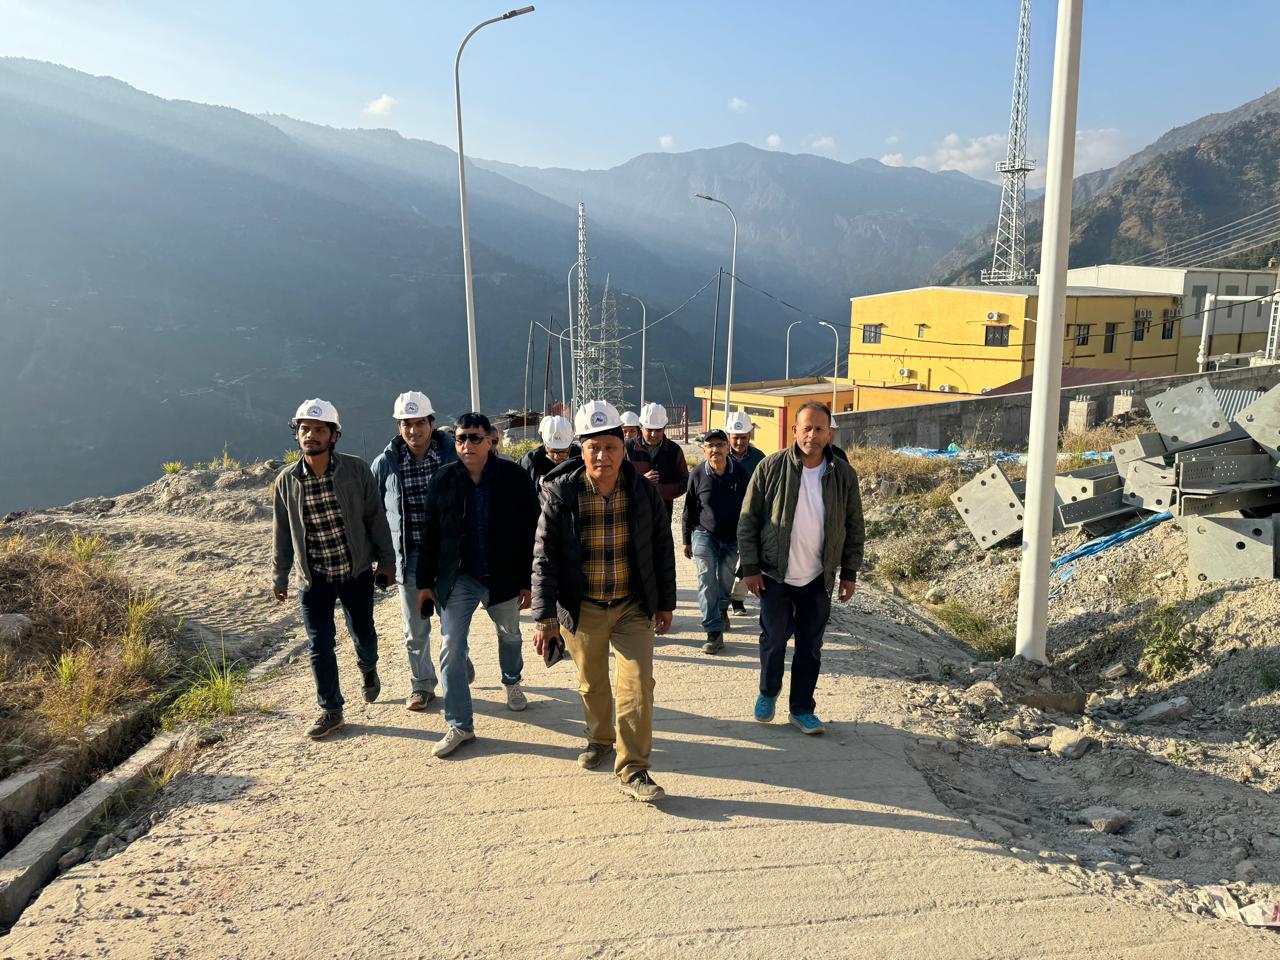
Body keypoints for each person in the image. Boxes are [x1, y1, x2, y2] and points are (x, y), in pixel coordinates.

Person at [531, 400, 676, 803]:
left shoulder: (642, 492)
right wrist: (545, 618)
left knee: (637, 685)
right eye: (593, 448)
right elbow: (544, 557)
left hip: (632, 606)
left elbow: (661, 549)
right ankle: (599, 738)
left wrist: (665, 603)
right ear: (581, 450)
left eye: (610, 447)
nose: (602, 456)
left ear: (622, 449)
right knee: (592, 683)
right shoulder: (562, 494)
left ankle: (634, 769)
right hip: (583, 607)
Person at [737, 401, 864, 736]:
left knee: (810, 645)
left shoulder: (843, 475)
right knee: (774, 639)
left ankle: (802, 709)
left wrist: (849, 573)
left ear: (829, 434)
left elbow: (854, 526)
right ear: (795, 431)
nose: (812, 435)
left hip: (817, 577)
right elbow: (748, 520)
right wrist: (750, 567)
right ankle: (768, 691)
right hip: (774, 574)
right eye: (806, 428)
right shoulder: (770, 467)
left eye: (819, 429)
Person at [416, 413, 539, 757]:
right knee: (451, 647)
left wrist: (528, 580)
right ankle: (460, 725)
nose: (466, 445)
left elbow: (532, 530)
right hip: (459, 578)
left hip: (503, 576)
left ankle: (512, 681)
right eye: (460, 439)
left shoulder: (514, 477)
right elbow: (429, 534)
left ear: (490, 441)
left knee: (510, 635)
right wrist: (424, 583)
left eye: (474, 438)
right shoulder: (443, 480)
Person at [272, 399, 394, 740]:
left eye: (319, 429)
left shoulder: (356, 470)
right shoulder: (286, 481)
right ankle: (331, 709)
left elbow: (375, 518)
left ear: (333, 435)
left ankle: (368, 667)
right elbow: (282, 533)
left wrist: (386, 562)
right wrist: (280, 576)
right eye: (304, 429)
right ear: (296, 433)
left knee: (363, 633)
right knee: (319, 644)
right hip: (314, 579)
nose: (310, 435)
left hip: (355, 572)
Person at [370, 391, 460, 712]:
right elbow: (373, 514)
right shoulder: (385, 465)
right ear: (399, 427)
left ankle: (457, 668)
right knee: (415, 630)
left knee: (453, 626)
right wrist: (380, 559)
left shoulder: (453, 456)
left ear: (431, 423)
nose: (413, 430)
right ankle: (422, 685)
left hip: (449, 558)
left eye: (419, 423)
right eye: (406, 424)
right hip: (409, 560)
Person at [682, 429, 749, 655]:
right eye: (710, 446)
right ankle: (713, 632)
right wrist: (686, 539)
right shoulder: (698, 474)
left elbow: (749, 509)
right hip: (704, 534)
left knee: (726, 579)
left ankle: (721, 609)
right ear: (704, 450)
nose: (715, 450)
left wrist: (749, 539)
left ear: (727, 447)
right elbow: (689, 509)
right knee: (706, 580)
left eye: (719, 445)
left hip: (732, 538)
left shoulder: (739, 473)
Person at [724, 411, 765, 615]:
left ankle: (738, 599)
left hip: (750, 517)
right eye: (735, 437)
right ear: (728, 436)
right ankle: (722, 599)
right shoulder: (720, 455)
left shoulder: (759, 458)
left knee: (747, 559)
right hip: (724, 517)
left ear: (749, 435)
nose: (739, 442)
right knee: (726, 562)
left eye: (743, 437)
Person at [625, 402, 689, 520]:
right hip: (633, 516)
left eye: (658, 430)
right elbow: (615, 482)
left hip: (662, 517)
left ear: (664, 428)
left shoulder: (674, 451)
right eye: (649, 430)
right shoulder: (627, 448)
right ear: (641, 427)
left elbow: (685, 482)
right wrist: (641, 483)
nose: (653, 434)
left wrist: (659, 490)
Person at [519, 415, 580, 484]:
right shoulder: (531, 461)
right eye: (552, 451)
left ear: (570, 445)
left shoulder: (579, 457)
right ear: (545, 445)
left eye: (562, 452)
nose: (556, 457)